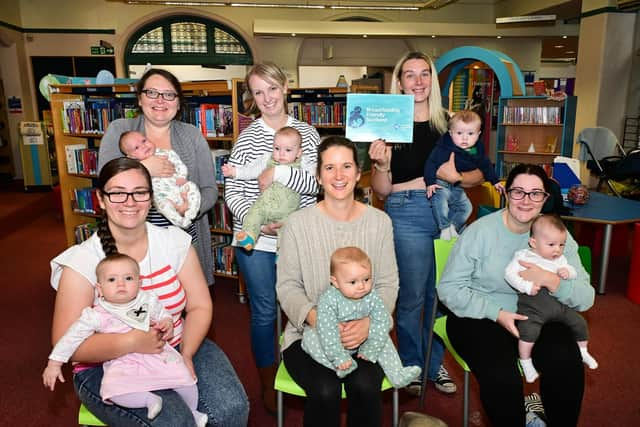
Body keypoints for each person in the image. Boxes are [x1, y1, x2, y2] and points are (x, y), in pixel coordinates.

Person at [49, 157, 248, 427]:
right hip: (108, 364)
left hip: (177, 343)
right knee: (175, 422)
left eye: (139, 192)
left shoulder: (174, 242)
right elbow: (70, 345)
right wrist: (132, 342)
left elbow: (200, 306)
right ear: (101, 199)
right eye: (118, 193)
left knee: (231, 410)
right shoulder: (82, 261)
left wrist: (186, 354)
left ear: (151, 198)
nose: (130, 202)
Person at [437, 163, 595, 426]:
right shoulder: (481, 231)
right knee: (501, 376)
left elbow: (586, 298)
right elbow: (449, 288)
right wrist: (496, 314)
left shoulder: (558, 236)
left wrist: (552, 281)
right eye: (518, 192)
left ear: (546, 198)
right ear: (507, 193)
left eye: (535, 193)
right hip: (479, 314)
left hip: (536, 314)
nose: (526, 200)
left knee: (567, 362)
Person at [368, 51, 484, 395]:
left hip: (446, 212)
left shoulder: (451, 122)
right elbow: (381, 191)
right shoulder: (387, 127)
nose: (418, 82)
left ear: (432, 80)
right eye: (410, 75)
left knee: (442, 296)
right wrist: (382, 165)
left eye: (424, 74)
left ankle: (435, 366)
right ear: (399, 82)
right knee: (412, 298)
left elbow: (480, 173)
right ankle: (412, 367)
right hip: (406, 211)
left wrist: (457, 177)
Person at [277, 136, 399, 427]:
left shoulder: (379, 222)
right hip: (309, 331)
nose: (339, 175)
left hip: (366, 330)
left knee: (366, 387)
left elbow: (388, 284)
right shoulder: (297, 224)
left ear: (359, 174)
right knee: (324, 390)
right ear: (318, 176)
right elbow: (287, 286)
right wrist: (319, 319)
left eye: (346, 166)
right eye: (329, 168)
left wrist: (369, 324)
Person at [224, 62, 320, 412]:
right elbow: (233, 190)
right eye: (258, 92)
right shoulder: (248, 137)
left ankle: (308, 369)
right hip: (257, 239)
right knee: (264, 312)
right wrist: (258, 221)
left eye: (272, 89)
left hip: (298, 235)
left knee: (303, 308)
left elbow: (316, 184)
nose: (266, 98)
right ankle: (268, 380)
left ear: (285, 88)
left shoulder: (308, 134)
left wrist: (279, 173)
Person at [43, 254, 208, 427]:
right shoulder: (96, 315)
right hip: (123, 360)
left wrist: (167, 322)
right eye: (112, 279)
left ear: (139, 283)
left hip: (156, 354)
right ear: (99, 288)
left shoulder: (147, 300)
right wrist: (54, 363)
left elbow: (162, 314)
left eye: (128, 278)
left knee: (186, 379)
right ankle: (148, 400)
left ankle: (193, 411)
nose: (121, 284)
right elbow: (71, 338)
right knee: (114, 391)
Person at [98, 68, 217, 287]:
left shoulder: (192, 135)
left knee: (188, 304)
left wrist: (188, 208)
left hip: (185, 240)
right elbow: (106, 181)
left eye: (169, 94)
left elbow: (210, 189)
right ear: (140, 99)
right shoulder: (119, 130)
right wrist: (144, 168)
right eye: (152, 92)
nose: (160, 100)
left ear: (178, 102)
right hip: (132, 241)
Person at [301, 246, 420, 388]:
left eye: (366, 279)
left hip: (363, 339)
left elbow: (382, 320)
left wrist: (371, 347)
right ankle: (341, 366)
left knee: (384, 337)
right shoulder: (328, 299)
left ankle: (397, 374)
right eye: (353, 282)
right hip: (335, 339)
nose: (361, 286)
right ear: (335, 282)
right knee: (310, 339)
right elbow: (327, 331)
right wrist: (338, 356)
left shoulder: (372, 296)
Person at [504, 214, 598, 383]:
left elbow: (573, 272)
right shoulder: (524, 256)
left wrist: (567, 272)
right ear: (533, 242)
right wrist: (526, 286)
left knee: (580, 323)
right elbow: (510, 274)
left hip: (558, 306)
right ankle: (526, 361)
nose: (557, 250)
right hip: (533, 305)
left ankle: (583, 351)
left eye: (561, 245)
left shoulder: (559, 258)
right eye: (552, 245)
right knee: (528, 331)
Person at [221, 126, 315, 251]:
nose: (281, 154)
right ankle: (249, 237)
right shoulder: (266, 159)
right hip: (264, 206)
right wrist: (235, 172)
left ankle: (282, 256)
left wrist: (279, 172)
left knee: (288, 232)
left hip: (288, 212)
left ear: (299, 152)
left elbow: (316, 182)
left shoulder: (304, 162)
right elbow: (250, 170)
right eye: (277, 148)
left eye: (288, 150)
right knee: (253, 214)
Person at [423, 110, 504, 240]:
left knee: (466, 207)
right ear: (451, 133)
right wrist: (430, 182)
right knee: (440, 203)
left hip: (457, 186)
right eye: (459, 133)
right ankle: (444, 228)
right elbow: (431, 162)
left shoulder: (476, 149)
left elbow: (486, 164)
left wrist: (495, 181)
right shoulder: (444, 146)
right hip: (440, 184)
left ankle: (453, 227)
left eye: (470, 133)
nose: (465, 138)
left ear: (478, 134)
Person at [119, 130, 201, 229]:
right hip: (162, 196)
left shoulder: (166, 153)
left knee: (192, 187)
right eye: (136, 148)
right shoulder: (134, 168)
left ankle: (191, 212)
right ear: (131, 156)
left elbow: (179, 164)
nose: (143, 146)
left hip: (179, 187)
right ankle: (180, 221)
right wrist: (145, 168)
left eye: (144, 141)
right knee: (162, 205)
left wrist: (182, 177)